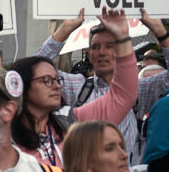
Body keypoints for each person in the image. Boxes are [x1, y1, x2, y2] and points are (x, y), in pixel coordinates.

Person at [36, 8, 169, 156]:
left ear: (123, 49)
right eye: (95, 47)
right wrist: (65, 29)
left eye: (109, 46)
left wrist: (160, 32)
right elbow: (33, 73)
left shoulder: (141, 88)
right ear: (89, 54)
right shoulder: (77, 87)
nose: (102, 52)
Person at [12, 12, 138, 166]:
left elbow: (123, 95)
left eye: (57, 80)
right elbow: (29, 67)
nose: (57, 86)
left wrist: (123, 38)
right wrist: (65, 29)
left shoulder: (70, 121)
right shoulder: (7, 136)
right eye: (46, 80)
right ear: (23, 86)